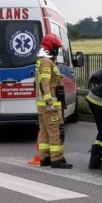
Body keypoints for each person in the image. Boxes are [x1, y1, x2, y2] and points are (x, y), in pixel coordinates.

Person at [35, 34, 72, 169]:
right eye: (56, 48)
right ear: (52, 48)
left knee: (45, 133)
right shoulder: (46, 62)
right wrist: (50, 103)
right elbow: (44, 84)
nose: (57, 51)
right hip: (50, 106)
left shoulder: (43, 60)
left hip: (42, 106)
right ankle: (57, 159)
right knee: (56, 131)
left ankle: (45, 158)